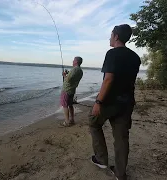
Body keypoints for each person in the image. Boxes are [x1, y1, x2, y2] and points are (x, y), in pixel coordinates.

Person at [88, 24, 141, 180]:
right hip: (127, 103)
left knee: (93, 122)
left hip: (110, 102)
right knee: (121, 137)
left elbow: (109, 79)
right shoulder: (135, 57)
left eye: (111, 35)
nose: (109, 38)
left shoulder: (112, 53)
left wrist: (98, 102)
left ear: (116, 36)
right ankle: (120, 173)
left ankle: (101, 159)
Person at [60, 56, 83, 127]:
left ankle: (67, 122)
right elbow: (73, 78)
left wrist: (64, 75)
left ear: (76, 61)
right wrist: (68, 73)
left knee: (65, 105)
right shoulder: (80, 70)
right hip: (72, 90)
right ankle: (72, 120)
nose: (72, 61)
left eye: (73, 60)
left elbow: (68, 80)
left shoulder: (74, 69)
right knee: (70, 105)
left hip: (67, 89)